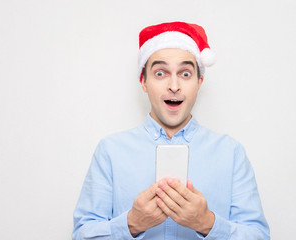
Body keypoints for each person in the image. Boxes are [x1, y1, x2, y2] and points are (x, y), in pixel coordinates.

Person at [72, 21, 270, 240]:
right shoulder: (110, 151)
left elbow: (258, 235)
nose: (174, 86)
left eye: (185, 74)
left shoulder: (231, 153)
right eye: (160, 73)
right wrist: (132, 224)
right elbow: (82, 234)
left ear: (199, 82)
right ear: (144, 82)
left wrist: (207, 224)